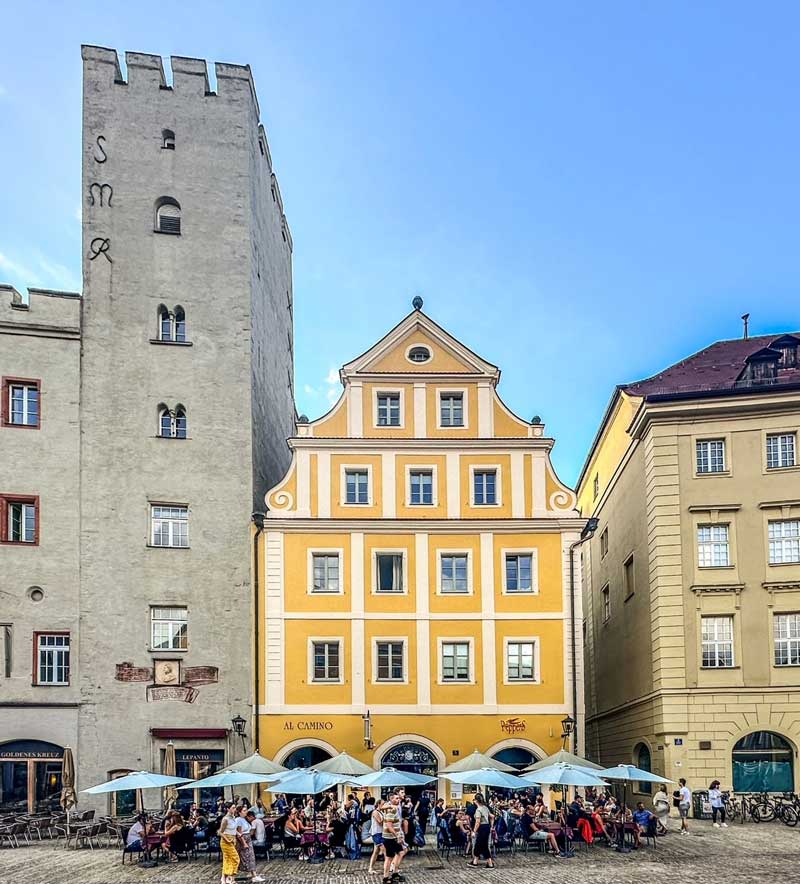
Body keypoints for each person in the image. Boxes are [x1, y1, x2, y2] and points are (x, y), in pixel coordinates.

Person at [381, 792, 407, 884]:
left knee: (401, 852)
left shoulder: (393, 807)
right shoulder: (391, 809)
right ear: (391, 799)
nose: (398, 800)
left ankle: (395, 873)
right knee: (389, 858)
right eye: (396, 798)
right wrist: (397, 836)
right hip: (389, 838)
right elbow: (389, 825)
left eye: (398, 798)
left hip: (393, 837)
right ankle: (386, 878)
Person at [236, 805, 264, 882]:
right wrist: (244, 843)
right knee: (245, 858)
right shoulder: (239, 820)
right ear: (239, 812)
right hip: (243, 839)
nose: (246, 812)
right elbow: (239, 833)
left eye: (246, 810)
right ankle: (232, 875)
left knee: (251, 857)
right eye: (244, 811)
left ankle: (254, 875)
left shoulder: (244, 820)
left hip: (248, 838)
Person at [468, 793, 494, 869]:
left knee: (481, 845)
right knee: (481, 845)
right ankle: (476, 862)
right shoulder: (485, 808)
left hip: (482, 828)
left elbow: (477, 822)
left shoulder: (478, 810)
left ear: (476, 801)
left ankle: (488, 864)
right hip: (487, 827)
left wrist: (474, 831)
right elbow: (492, 816)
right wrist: (491, 826)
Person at [218, 804, 241, 884]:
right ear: (228, 809)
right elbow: (220, 832)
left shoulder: (233, 818)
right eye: (233, 808)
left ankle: (223, 878)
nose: (235, 809)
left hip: (233, 839)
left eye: (235, 808)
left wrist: (238, 834)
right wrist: (227, 840)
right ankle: (230, 876)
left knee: (227, 860)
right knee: (236, 859)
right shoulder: (225, 819)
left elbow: (232, 829)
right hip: (226, 841)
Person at [368, 797, 385, 874]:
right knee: (385, 850)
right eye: (383, 804)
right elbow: (380, 822)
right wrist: (386, 818)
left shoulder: (382, 812)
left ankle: (370, 868)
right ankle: (391, 865)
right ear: (378, 804)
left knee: (376, 852)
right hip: (376, 833)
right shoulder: (375, 812)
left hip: (381, 832)